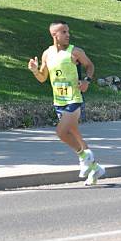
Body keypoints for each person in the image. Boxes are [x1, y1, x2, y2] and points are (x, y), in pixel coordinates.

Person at [28, 21, 106, 185]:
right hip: (59, 101)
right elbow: (43, 78)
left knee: (61, 132)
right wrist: (35, 70)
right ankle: (95, 167)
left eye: (68, 31)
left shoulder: (75, 52)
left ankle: (83, 157)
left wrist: (86, 81)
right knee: (74, 134)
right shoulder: (47, 54)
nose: (68, 35)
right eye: (63, 32)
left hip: (74, 99)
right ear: (54, 35)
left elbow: (90, 66)